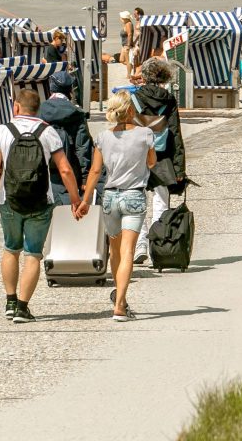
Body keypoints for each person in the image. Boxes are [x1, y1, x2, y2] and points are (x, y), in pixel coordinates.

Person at [0, 89, 81, 324]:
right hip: (41, 201)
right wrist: (76, 199)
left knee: (10, 249)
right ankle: (23, 309)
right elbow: (65, 168)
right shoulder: (48, 132)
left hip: (10, 200)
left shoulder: (2, 131)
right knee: (33, 254)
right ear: (38, 109)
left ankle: (10, 302)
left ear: (16, 107)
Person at [76, 90, 157, 321]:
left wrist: (84, 201)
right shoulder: (145, 134)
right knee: (128, 251)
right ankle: (120, 304)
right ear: (130, 110)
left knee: (115, 250)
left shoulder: (103, 137)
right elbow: (151, 162)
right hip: (133, 195)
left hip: (110, 197)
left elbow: (94, 171)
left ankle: (119, 299)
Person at [132, 57, 186, 265]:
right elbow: (175, 133)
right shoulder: (169, 100)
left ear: (144, 77)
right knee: (161, 202)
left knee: (139, 201)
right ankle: (158, 245)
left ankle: (140, 245)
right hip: (163, 156)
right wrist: (179, 166)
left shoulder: (135, 99)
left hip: (138, 155)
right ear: (163, 76)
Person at [38, 71, 96, 205]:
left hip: (44, 171)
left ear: (51, 89)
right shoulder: (77, 113)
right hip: (71, 169)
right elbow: (83, 147)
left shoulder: (40, 111)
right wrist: (85, 177)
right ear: (70, 90)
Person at [118, 11, 134, 78]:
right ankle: (132, 66)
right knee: (121, 60)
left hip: (127, 45)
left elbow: (129, 34)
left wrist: (128, 45)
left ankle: (129, 74)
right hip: (124, 45)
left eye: (121, 17)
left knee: (128, 61)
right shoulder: (126, 23)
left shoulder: (128, 24)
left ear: (125, 18)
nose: (120, 18)